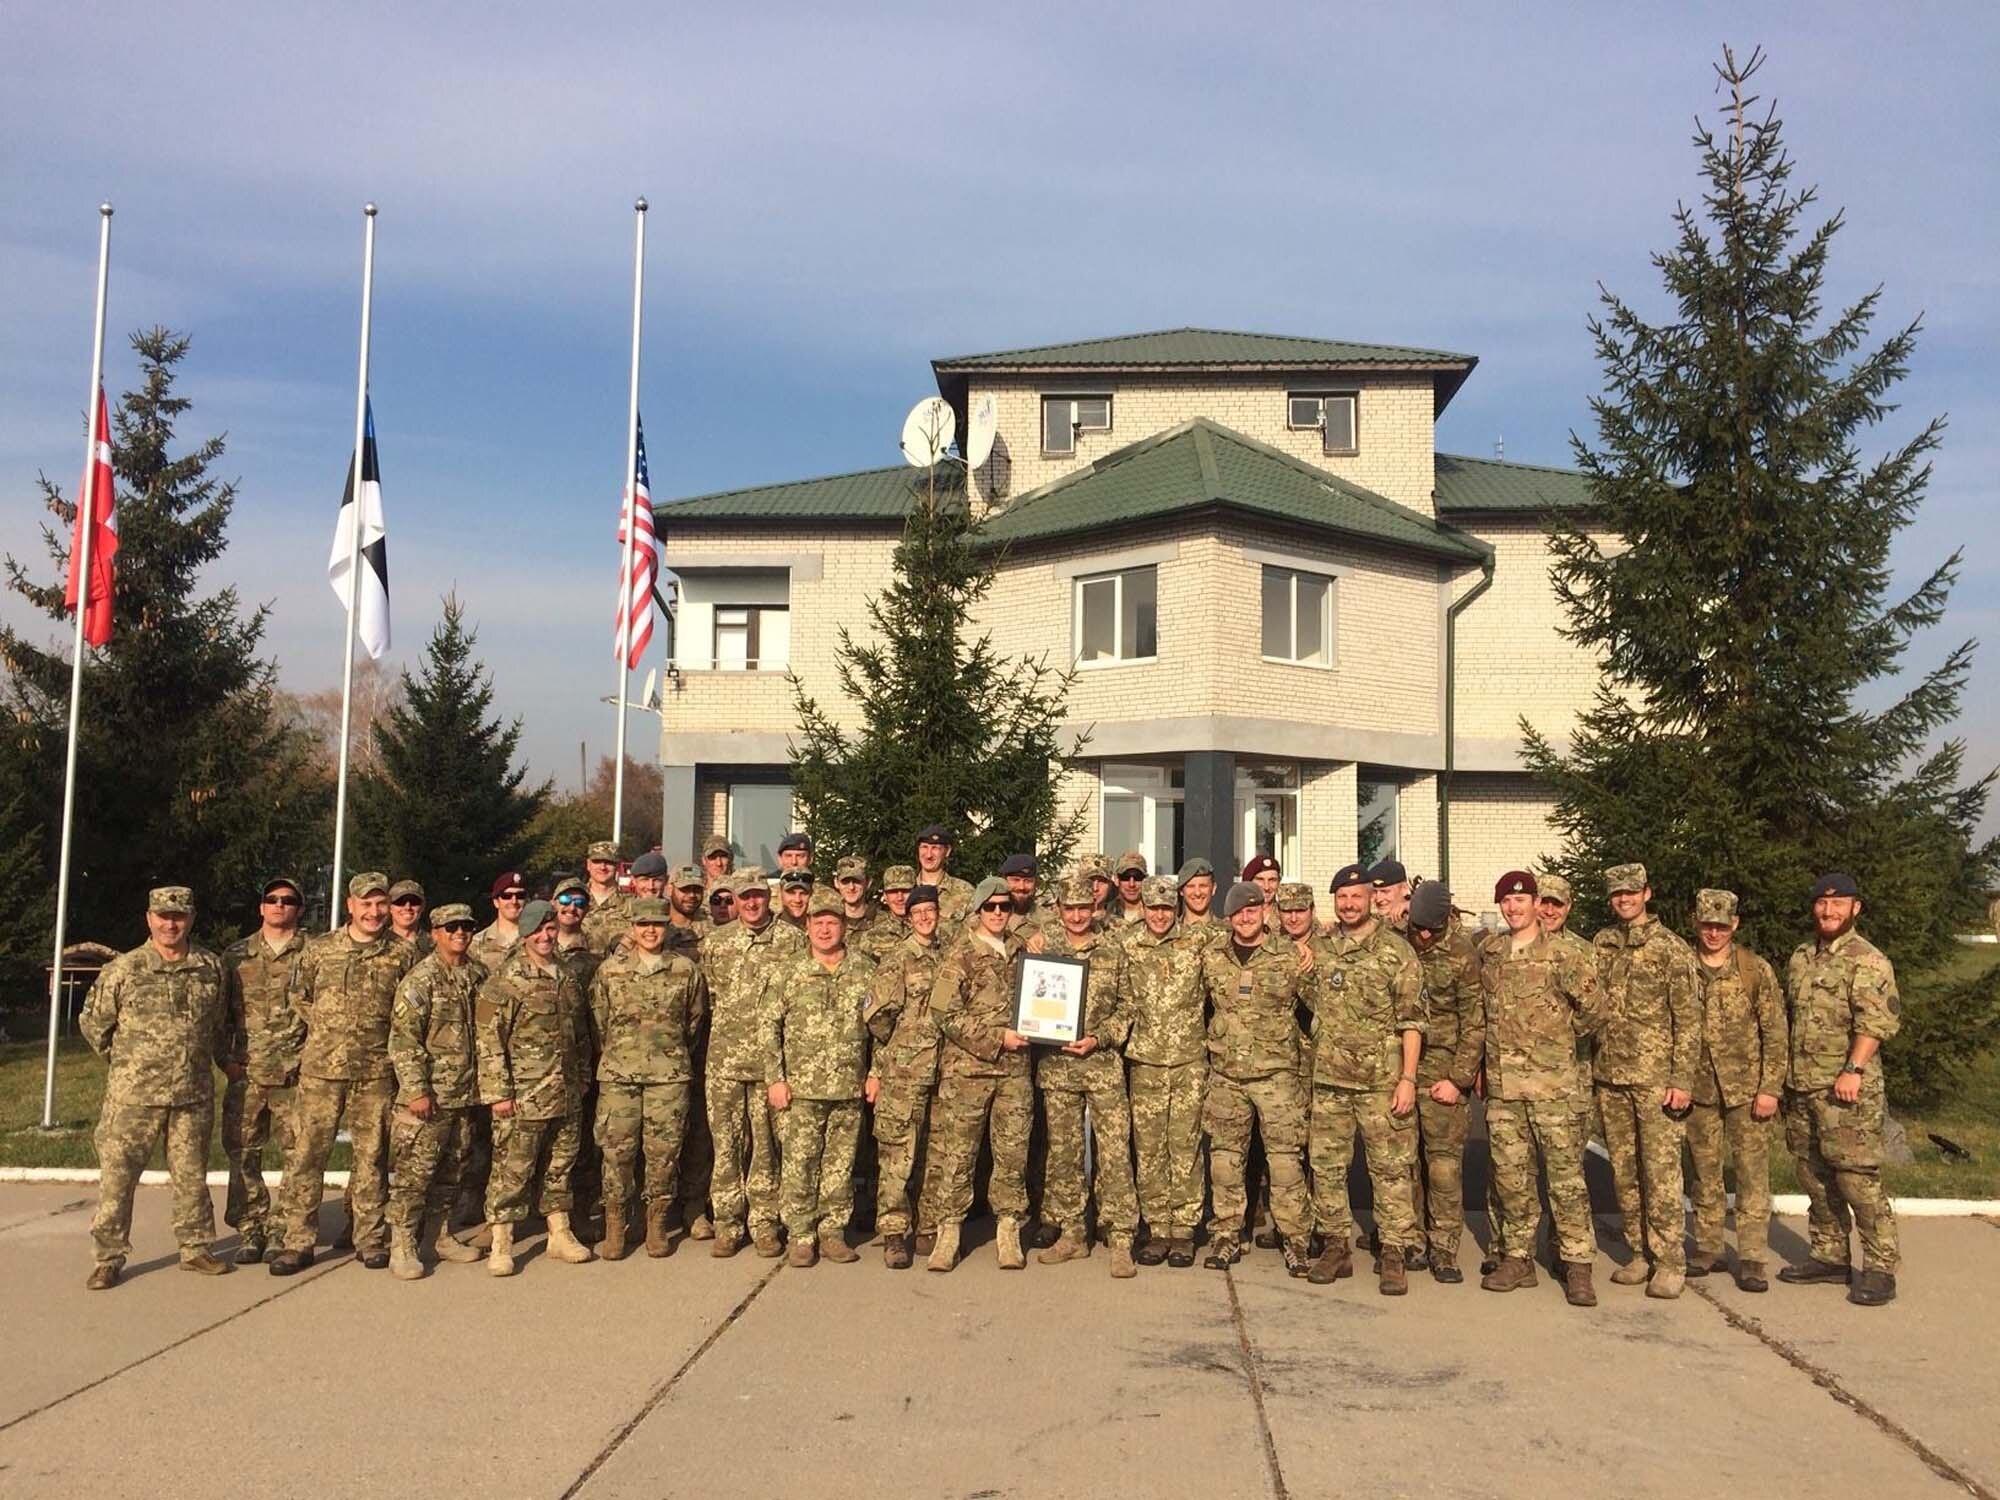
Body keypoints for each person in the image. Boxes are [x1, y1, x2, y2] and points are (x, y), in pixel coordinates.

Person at [80, 886, 234, 1289]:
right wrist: (130, 1064)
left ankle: (196, 1247)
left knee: (191, 1175)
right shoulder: (124, 970)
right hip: (134, 1097)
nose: (171, 923)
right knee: (118, 1177)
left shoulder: (210, 968)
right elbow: (95, 1025)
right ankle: (108, 1256)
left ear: (192, 919)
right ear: (149, 918)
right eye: (163, 916)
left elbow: (217, 1023)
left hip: (191, 1094)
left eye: (179, 916)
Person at [270, 872, 415, 1275]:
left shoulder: (401, 954)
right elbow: (299, 996)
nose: (374, 911)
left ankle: (368, 1239)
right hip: (322, 1072)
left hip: (375, 1072)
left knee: (371, 1159)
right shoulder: (319, 951)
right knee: (307, 1156)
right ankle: (297, 1241)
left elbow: (409, 1011)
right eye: (365, 903)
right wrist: (327, 1027)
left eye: (380, 903)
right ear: (350, 905)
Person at [1778, 872, 1902, 1307]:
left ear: (1856, 908)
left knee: (1856, 1178)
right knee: (1813, 1172)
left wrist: (1853, 1069)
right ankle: (1829, 1254)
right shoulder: (1801, 957)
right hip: (1803, 1086)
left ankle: (1880, 1266)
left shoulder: (1867, 961)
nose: (1829, 911)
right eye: (1822, 904)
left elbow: (1877, 1023)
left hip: (1845, 1088)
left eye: (1839, 904)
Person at [1479, 871, 1603, 1306]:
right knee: (1511, 1180)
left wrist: (1558, 1040)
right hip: (1505, 1091)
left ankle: (1577, 1266)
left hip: (1554, 1088)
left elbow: (1593, 1009)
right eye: (1506, 903)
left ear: (1535, 903)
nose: (1514, 909)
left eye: (1521, 900)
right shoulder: (1491, 952)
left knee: (1566, 1182)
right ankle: (1518, 1258)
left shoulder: (1564, 954)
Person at [1302, 864, 1425, 1294]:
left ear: (1372, 898)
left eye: (1356, 896)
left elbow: (1413, 1021)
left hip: (1380, 1081)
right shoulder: (1321, 948)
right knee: (1327, 1167)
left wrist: (1408, 1078)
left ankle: (1393, 1251)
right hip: (1331, 1080)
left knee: (1390, 1171)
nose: (1349, 904)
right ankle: (1336, 1246)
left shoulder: (1397, 952)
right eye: (1342, 897)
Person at [1593, 862, 1701, 1299]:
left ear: (1647, 894)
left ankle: (1671, 1260)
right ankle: (1640, 1252)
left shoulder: (1671, 949)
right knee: (1624, 1172)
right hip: (1611, 1075)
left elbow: (1689, 1021)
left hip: (1655, 1079)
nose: (1624, 900)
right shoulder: (1602, 943)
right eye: (1617, 894)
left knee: (1660, 1172)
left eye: (1631, 893)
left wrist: (1683, 1079)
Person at [1198, 883, 1314, 1276]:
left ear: (1265, 912)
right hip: (1227, 1075)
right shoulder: (1212, 956)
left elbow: (1318, 1010)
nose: (1245, 918)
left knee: (1285, 1163)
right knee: (1226, 1162)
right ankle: (1227, 1235)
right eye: (1237, 913)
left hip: (1276, 1075)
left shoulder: (1290, 955)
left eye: (1252, 911)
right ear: (1228, 918)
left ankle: (1295, 1240)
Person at [476, 900, 595, 1275]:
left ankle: (559, 1233)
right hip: (522, 1096)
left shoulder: (567, 977)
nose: (546, 937)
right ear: (525, 934)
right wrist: (498, 1092)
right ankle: (502, 1241)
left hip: (565, 1091)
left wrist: (583, 1078)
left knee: (561, 1166)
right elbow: (488, 1038)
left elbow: (581, 1034)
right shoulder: (505, 981)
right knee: (513, 1169)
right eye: (538, 930)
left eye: (550, 929)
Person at [590, 898, 708, 1260]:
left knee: (663, 1152)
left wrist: (669, 1055)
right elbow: (599, 1021)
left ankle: (655, 1221)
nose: (651, 930)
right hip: (619, 1075)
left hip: (668, 1077)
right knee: (617, 1152)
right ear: (632, 927)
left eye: (657, 923)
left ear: (667, 926)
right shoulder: (610, 971)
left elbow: (694, 1021)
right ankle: (616, 1222)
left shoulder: (685, 970)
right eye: (643, 925)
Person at [1034, 876, 1140, 1278]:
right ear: (1059, 910)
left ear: (1094, 908)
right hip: (1058, 1068)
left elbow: (1127, 1007)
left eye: (1084, 908)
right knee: (1064, 1154)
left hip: (1102, 1066)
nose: (1077, 915)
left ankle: (1120, 1236)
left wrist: (1099, 1038)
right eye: (1069, 908)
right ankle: (1073, 1232)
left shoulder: (1113, 950)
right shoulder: (1047, 949)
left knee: (1114, 1153)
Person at [926, 877, 1033, 1272]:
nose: (999, 913)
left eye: (1005, 906)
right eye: (991, 907)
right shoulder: (959, 956)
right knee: (958, 1154)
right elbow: (943, 1013)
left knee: (1011, 1153)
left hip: (1014, 1073)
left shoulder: (1023, 952)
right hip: (968, 1072)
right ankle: (948, 1232)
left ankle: (1008, 1229)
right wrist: (995, 1038)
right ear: (977, 911)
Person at [763, 888, 874, 1267]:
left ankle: (832, 1232)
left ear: (844, 925)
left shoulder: (865, 969)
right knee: (799, 1162)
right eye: (818, 922)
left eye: (832, 922)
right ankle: (800, 1234)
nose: (825, 929)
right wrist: (775, 1079)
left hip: (847, 1086)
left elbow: (882, 1028)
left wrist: (874, 1073)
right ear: (806, 925)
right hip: (801, 1088)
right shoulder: (789, 971)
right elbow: (768, 1028)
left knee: (840, 1164)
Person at [1685, 889, 1787, 1294]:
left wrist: (1770, 1088)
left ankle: (1751, 1257)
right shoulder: (1683, 968)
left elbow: (1775, 1032)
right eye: (1707, 925)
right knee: (1704, 1174)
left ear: (1735, 925)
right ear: (1696, 923)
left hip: (1747, 1091)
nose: (1714, 933)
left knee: (1750, 1176)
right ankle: (1708, 1247)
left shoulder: (1753, 970)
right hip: (1699, 1089)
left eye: (1721, 926)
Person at [701, 870, 805, 1257]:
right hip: (725, 1063)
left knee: (765, 1149)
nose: (751, 903)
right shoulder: (717, 943)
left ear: (769, 897)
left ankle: (764, 1223)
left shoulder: (792, 940)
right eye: (744, 896)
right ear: (735, 899)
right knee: (726, 1147)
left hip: (769, 1066)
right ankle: (728, 1223)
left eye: (759, 895)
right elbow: (708, 1000)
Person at [385, 903, 487, 1279]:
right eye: (451, 927)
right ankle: (403, 1244)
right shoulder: (420, 980)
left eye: (466, 926)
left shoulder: (479, 975)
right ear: (436, 932)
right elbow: (404, 1040)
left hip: (465, 1095)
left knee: (452, 1172)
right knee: (415, 1175)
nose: (460, 932)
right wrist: (416, 1090)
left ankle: (439, 1236)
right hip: (429, 1098)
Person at [218, 875, 308, 1265]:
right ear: (261, 907)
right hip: (248, 1076)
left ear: (299, 909)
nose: (279, 905)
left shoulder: (315, 952)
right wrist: (226, 1061)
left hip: (297, 1077)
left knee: (298, 1155)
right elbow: (217, 1016)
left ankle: (282, 1230)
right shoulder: (236, 956)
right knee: (243, 1156)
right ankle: (250, 1229)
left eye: (288, 900)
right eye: (272, 899)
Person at [1123, 875, 1210, 1268]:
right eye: (1152, 908)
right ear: (1142, 908)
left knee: (1185, 1146)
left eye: (1165, 908)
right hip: (1146, 1062)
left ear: (1176, 909)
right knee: (1150, 1148)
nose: (1159, 915)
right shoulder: (1127, 945)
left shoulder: (1199, 943)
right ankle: (1157, 1228)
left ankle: (1184, 1230)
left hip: (1190, 1061)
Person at [864, 883, 948, 1267]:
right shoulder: (898, 959)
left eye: (930, 911)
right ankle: (895, 1232)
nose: (925, 918)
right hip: (904, 1072)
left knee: (936, 1152)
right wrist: (903, 1044)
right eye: (918, 913)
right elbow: (878, 1017)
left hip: (944, 1071)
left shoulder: (950, 955)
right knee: (898, 1154)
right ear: (909, 917)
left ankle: (928, 1226)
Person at [1406, 881, 1483, 1283]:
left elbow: (1474, 1022)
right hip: (1403, 1070)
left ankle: (1444, 1247)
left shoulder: (1461, 954)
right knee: (1406, 1166)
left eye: (1430, 930)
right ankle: (1413, 1241)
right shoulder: (1399, 943)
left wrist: (1458, 1079)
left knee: (1442, 1168)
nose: (1422, 936)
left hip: (1443, 1073)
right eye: (1417, 926)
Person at [914, 824, 976, 926]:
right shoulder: (906, 890)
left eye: (935, 848)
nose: (928, 855)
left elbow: (974, 933)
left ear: (947, 851)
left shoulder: (965, 892)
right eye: (924, 847)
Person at [855, 865, 915, 964]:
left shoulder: (928, 929)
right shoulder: (871, 936)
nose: (900, 898)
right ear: (885, 896)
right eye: (893, 892)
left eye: (905, 891)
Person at [582, 841, 633, 955]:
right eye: (597, 861)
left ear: (617, 865)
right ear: (588, 864)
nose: (603, 867)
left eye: (608, 862)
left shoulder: (632, 904)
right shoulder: (574, 900)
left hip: (617, 971)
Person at [470, 870, 528, 964]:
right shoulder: (477, 943)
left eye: (520, 895)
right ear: (496, 902)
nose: (514, 901)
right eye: (506, 896)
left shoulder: (537, 939)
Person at [1176, 859, 1220, 943]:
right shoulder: (1170, 933)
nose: (1197, 893)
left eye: (1203, 886)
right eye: (1191, 886)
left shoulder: (1229, 934)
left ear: (1213, 888)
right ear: (1181, 891)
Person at [833, 856, 875, 940]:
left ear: (868, 882)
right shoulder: (828, 923)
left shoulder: (884, 922)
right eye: (845, 882)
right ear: (836, 883)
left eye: (857, 881)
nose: (851, 887)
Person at [387, 880, 431, 956]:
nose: (407, 907)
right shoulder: (377, 944)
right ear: (389, 907)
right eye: (400, 902)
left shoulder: (437, 946)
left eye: (414, 901)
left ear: (422, 906)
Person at [1370, 860, 1412, 932]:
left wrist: (1415, 907)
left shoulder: (1419, 921)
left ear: (1404, 888)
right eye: (1374, 892)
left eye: (1385, 891)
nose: (1378, 899)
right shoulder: (1369, 923)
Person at [1112, 851, 1149, 925]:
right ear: (1116, 880)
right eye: (1125, 877)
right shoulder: (1106, 913)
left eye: (1138, 877)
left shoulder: (1155, 916)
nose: (1131, 884)